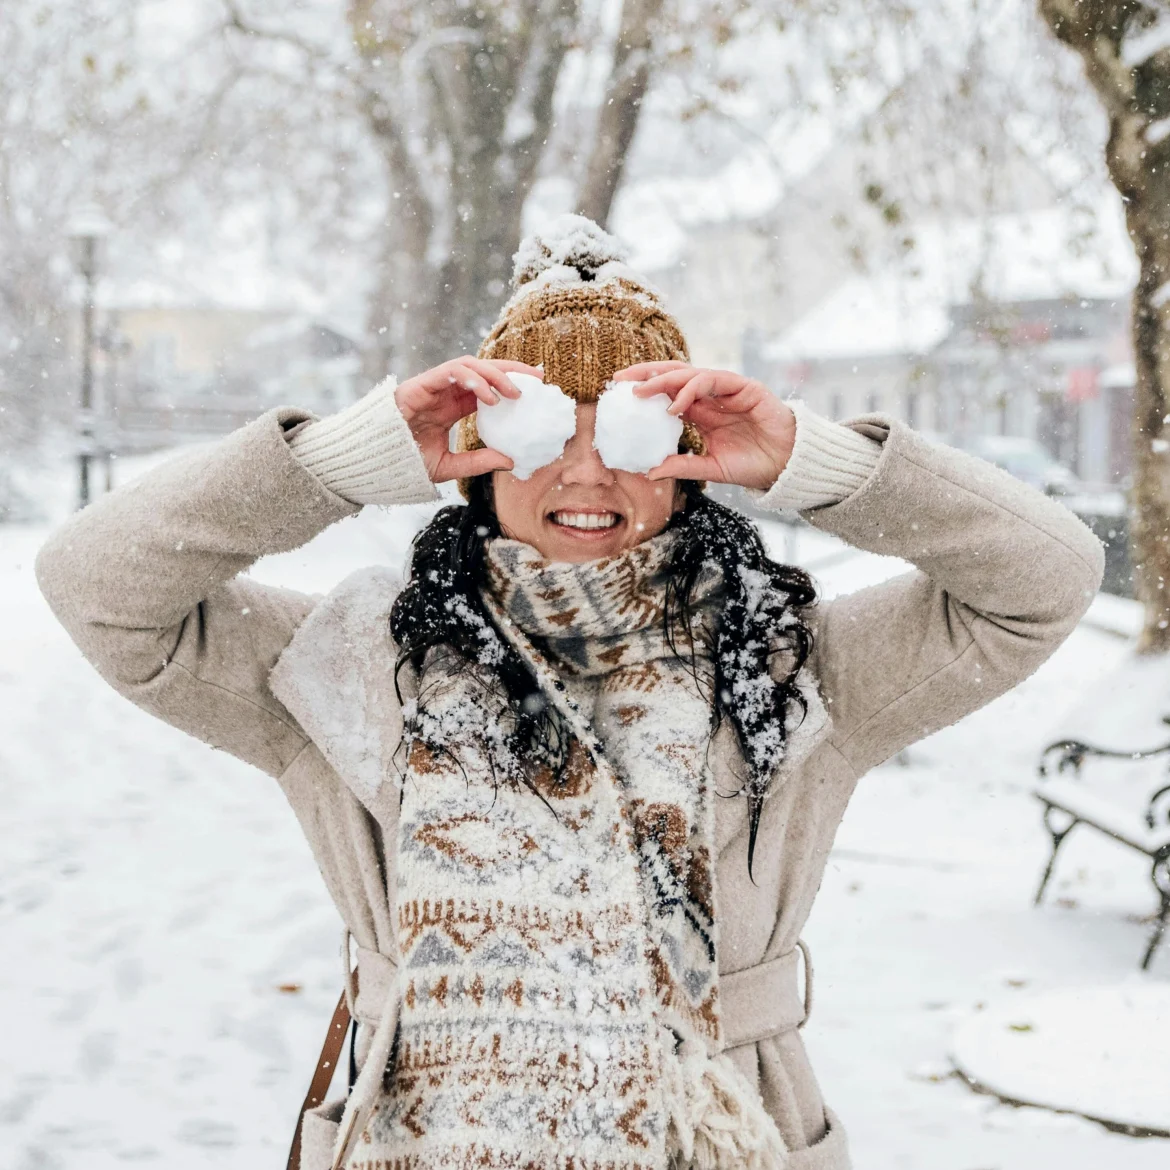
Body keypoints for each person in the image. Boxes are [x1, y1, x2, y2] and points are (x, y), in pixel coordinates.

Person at [36, 215, 1104, 1170]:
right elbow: (96, 585)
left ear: (688, 452)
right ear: (477, 457)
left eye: (629, 435)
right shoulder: (351, 663)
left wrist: (809, 462)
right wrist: (335, 462)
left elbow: (1046, 579)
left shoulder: (787, 660)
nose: (588, 476)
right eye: (548, 433)